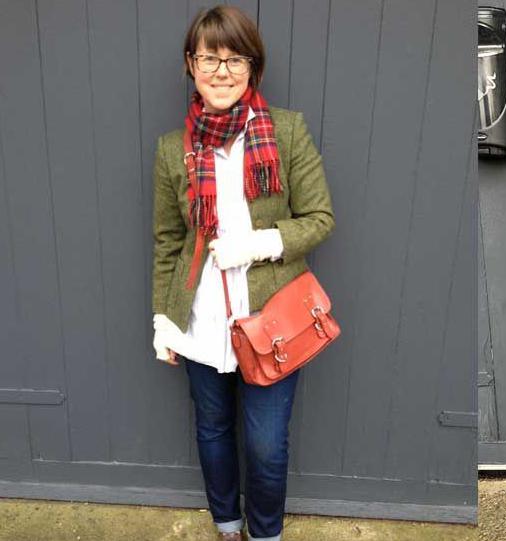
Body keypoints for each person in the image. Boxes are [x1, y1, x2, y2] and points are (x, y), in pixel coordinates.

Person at [150, 6, 334, 541]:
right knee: (212, 429)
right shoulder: (171, 150)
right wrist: (164, 320)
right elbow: (168, 241)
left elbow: (320, 218)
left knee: (266, 443)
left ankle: (266, 533)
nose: (222, 71)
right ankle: (227, 525)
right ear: (191, 65)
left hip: (271, 321)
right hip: (202, 320)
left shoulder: (286, 131)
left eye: (235, 59)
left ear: (253, 67)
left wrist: (259, 244)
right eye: (210, 58)